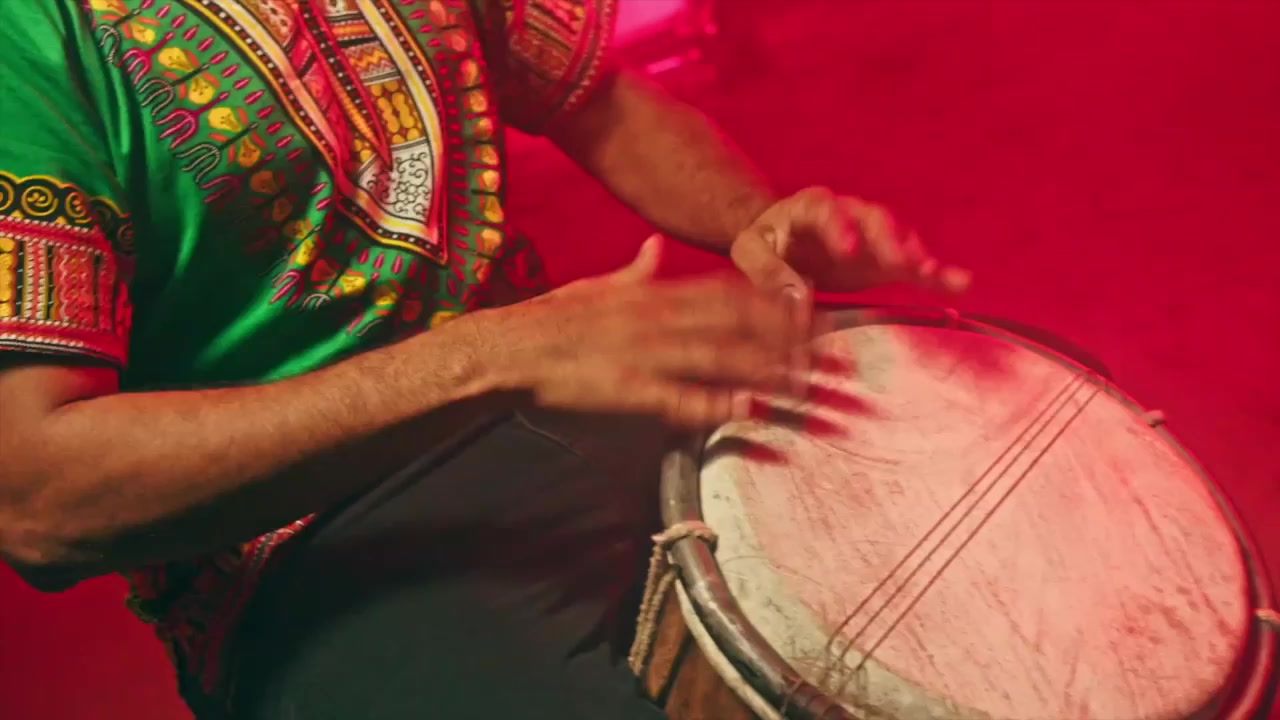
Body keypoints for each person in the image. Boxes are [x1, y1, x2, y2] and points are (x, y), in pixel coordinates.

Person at [0, 1, 970, 718]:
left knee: (936, 503)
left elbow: (596, 96)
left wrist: (750, 220)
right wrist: (488, 356)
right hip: (306, 548)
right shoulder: (30, 41)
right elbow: (38, 502)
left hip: (554, 387)